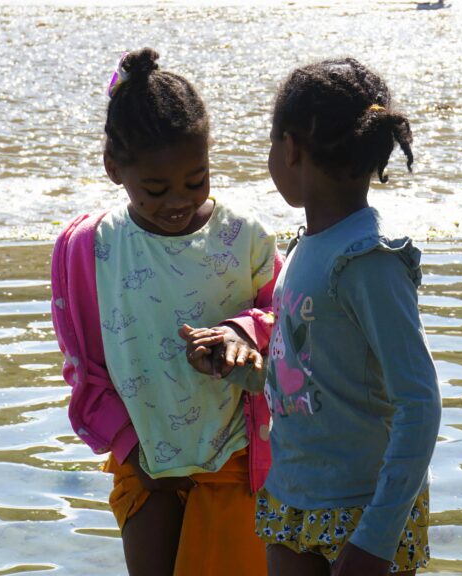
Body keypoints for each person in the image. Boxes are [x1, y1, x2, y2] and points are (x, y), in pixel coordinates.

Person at [186, 58, 441, 576]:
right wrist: (242, 370)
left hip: (362, 509)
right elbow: (312, 380)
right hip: (292, 494)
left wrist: (377, 537)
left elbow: (420, 404)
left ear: (291, 148)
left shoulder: (368, 261)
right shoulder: (307, 250)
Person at [49, 48, 280, 576]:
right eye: (155, 189)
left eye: (196, 180)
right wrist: (131, 448)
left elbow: (286, 321)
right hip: (143, 462)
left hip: (238, 461)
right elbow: (82, 367)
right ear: (114, 169)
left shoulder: (244, 237)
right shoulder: (88, 249)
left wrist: (238, 334)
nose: (178, 199)